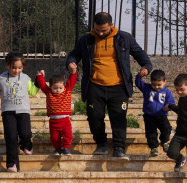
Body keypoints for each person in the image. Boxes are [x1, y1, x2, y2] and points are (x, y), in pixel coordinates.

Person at [66, 12, 152, 159]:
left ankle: (119, 147)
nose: (100, 33)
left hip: (119, 86)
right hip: (94, 85)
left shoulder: (124, 38)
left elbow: (140, 54)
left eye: (104, 30)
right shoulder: (86, 40)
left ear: (111, 26)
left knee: (119, 117)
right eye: (97, 29)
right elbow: (74, 55)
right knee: (94, 116)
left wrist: (146, 67)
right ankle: (101, 144)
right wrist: (70, 62)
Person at [0, 52, 39, 172]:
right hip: (8, 112)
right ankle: (12, 164)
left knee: (26, 134)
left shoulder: (26, 78)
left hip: (23, 111)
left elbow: (33, 91)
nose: (16, 71)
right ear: (7, 65)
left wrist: (39, 80)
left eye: (20, 68)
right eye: (14, 68)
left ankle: (26, 144)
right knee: (11, 138)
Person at [36, 68, 78, 155]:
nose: (58, 90)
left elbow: (72, 81)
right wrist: (40, 76)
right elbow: (42, 85)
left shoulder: (67, 90)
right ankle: (58, 149)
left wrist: (73, 73)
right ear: (50, 87)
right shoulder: (48, 92)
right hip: (53, 121)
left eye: (60, 88)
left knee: (68, 135)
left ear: (64, 86)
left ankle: (66, 148)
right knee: (54, 138)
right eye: (55, 88)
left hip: (65, 120)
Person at [135, 68, 175, 157]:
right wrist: (139, 76)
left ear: (165, 82)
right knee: (151, 133)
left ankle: (164, 141)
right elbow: (138, 82)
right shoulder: (147, 88)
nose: (156, 87)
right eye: (154, 85)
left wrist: (168, 107)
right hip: (149, 116)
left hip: (162, 116)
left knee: (167, 129)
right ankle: (154, 147)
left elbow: (171, 103)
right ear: (151, 82)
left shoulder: (167, 93)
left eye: (159, 85)